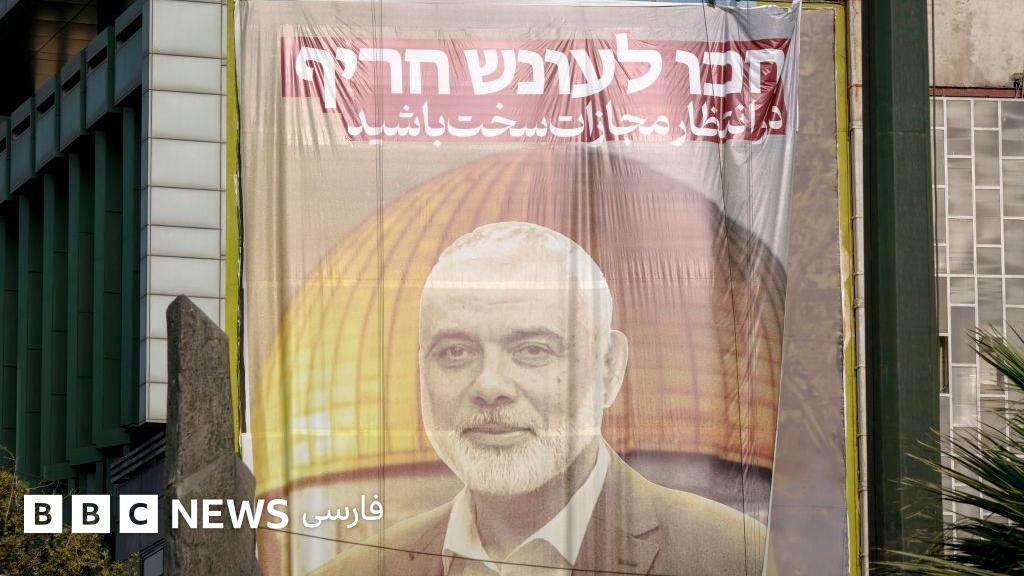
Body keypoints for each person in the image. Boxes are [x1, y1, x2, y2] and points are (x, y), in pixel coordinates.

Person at [312, 222, 768, 576]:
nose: (489, 386)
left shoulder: (742, 560)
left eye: (533, 350)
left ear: (609, 368)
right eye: (455, 352)